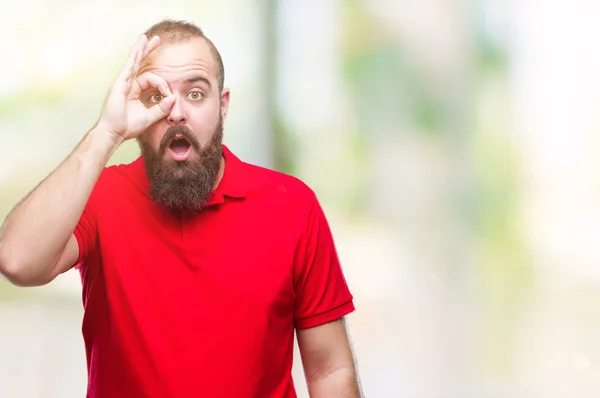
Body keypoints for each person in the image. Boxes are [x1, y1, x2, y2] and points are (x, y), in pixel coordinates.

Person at [0, 19, 361, 398]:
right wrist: (106, 132)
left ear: (222, 106)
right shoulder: (100, 196)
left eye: (195, 94)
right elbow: (16, 260)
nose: (175, 113)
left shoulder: (292, 206)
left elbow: (330, 370)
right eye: (157, 97)